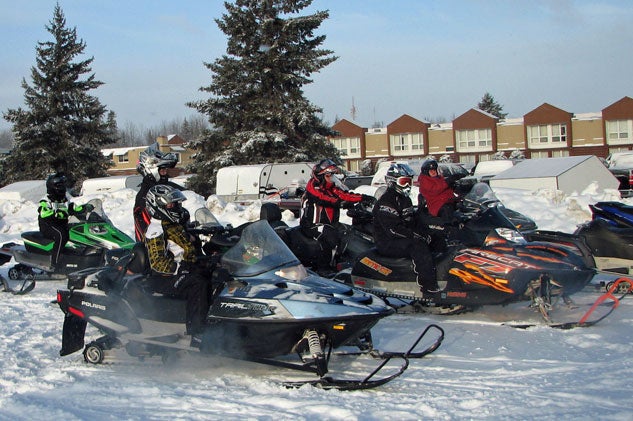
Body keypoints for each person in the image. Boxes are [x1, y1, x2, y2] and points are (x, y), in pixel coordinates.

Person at [143, 184, 209, 346]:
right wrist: (180, 268)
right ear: (158, 206)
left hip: (185, 270)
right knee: (198, 284)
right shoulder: (156, 230)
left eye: (177, 204)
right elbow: (157, 263)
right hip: (165, 277)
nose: (177, 207)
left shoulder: (174, 224)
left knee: (215, 273)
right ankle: (196, 332)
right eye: (172, 204)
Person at [373, 163, 439, 295]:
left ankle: (444, 276)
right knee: (418, 246)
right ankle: (428, 286)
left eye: (409, 181)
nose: (408, 186)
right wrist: (415, 235)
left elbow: (411, 220)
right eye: (404, 182)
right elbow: (393, 229)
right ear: (393, 182)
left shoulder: (404, 199)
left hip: (401, 237)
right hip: (387, 241)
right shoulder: (386, 202)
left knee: (437, 240)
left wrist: (428, 230)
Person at [300, 159, 374, 274]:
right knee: (327, 238)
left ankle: (343, 262)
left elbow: (343, 194)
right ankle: (323, 269)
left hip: (328, 222)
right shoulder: (313, 187)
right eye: (329, 175)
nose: (332, 178)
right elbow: (323, 198)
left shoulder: (330, 187)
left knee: (347, 233)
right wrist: (339, 203)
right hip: (313, 224)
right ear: (321, 176)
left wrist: (364, 198)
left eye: (332, 175)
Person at [38, 172, 93, 270]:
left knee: (76, 232)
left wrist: (84, 208)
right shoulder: (46, 200)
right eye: (60, 185)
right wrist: (57, 214)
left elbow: (72, 208)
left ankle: (74, 260)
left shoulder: (64, 198)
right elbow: (44, 213)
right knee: (61, 235)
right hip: (48, 224)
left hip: (61, 223)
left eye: (63, 185)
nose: (62, 187)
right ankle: (54, 263)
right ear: (53, 187)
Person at [133, 144, 183, 241]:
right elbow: (153, 221)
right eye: (162, 170)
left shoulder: (165, 189)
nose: (165, 173)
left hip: (171, 238)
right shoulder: (146, 194)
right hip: (154, 243)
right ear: (152, 170)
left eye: (165, 170)